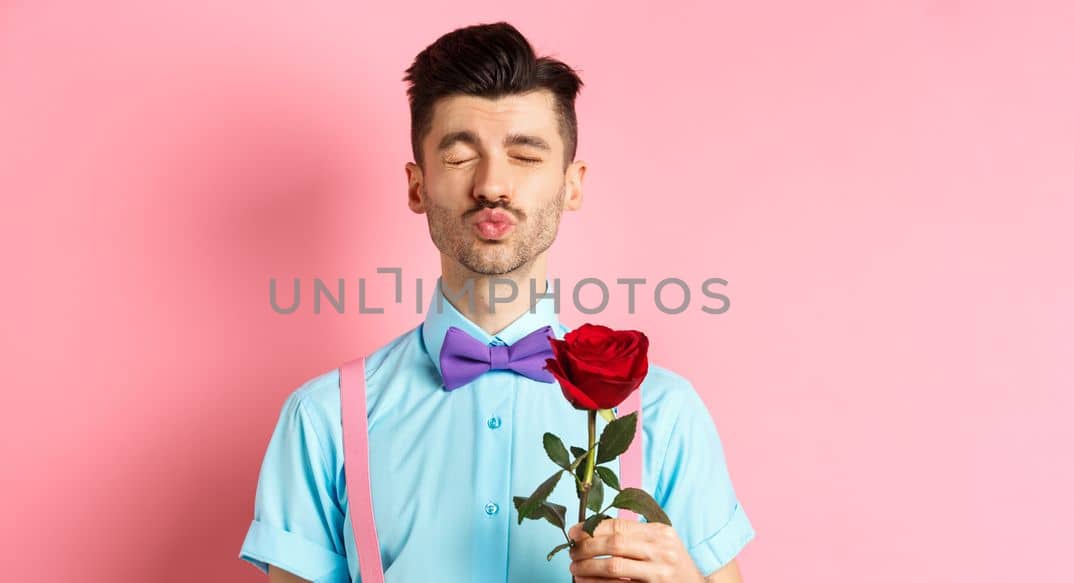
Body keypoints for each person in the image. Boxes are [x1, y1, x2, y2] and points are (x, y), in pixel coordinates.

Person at [239, 21, 754, 582]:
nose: (492, 184)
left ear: (572, 184)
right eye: (460, 156)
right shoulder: (323, 420)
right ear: (417, 185)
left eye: (526, 156)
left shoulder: (664, 413)